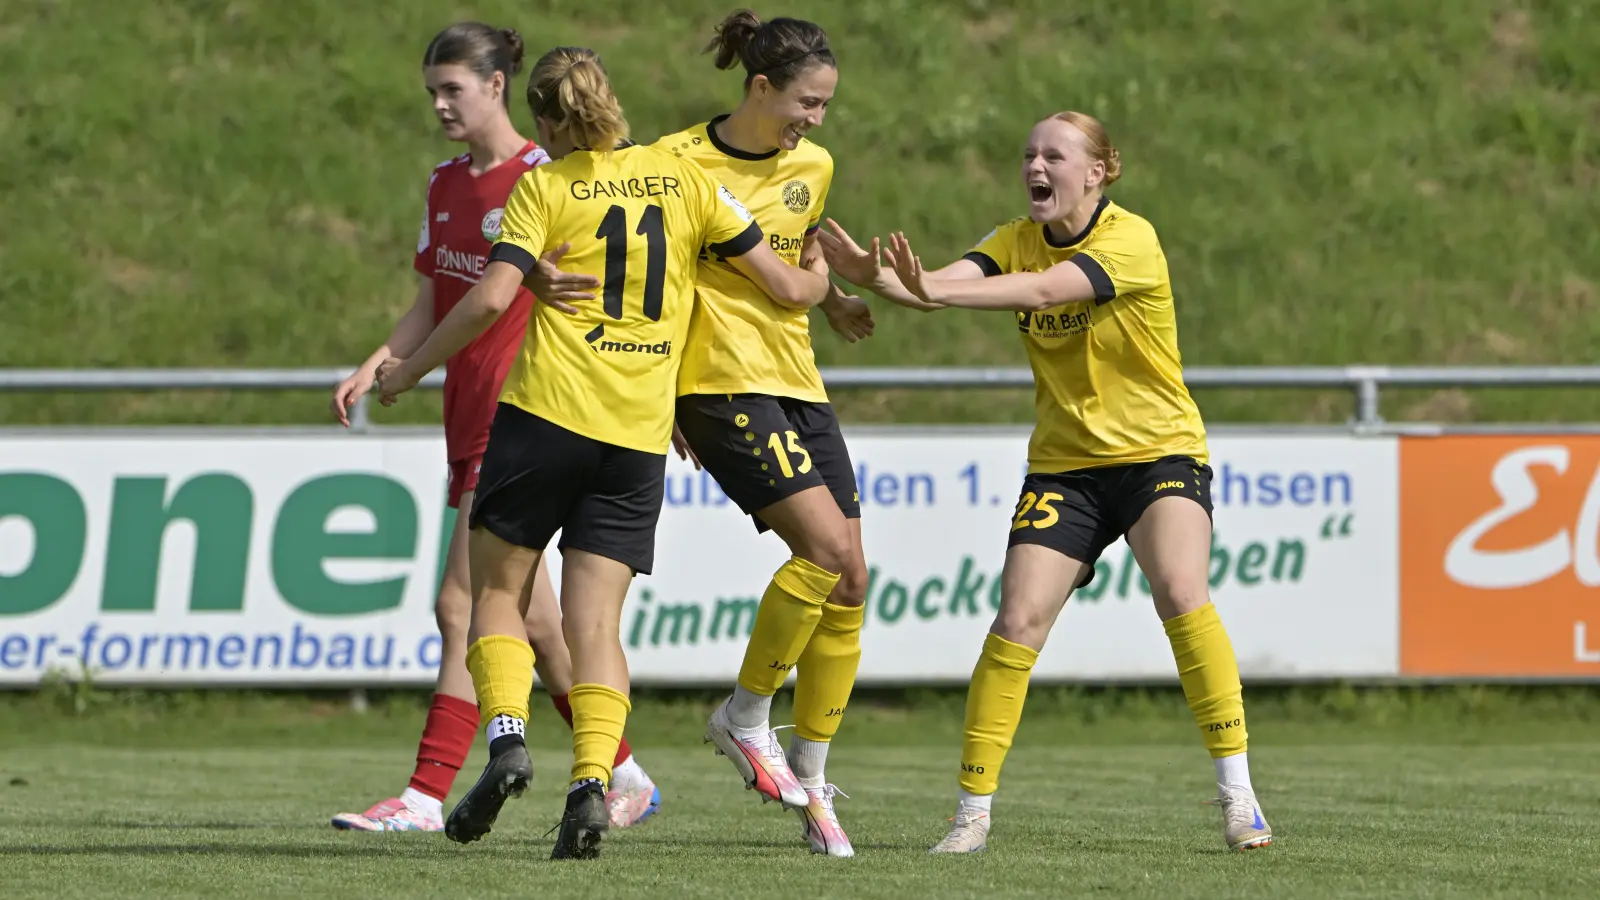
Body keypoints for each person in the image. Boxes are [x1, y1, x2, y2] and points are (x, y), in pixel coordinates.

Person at [373, 46, 829, 860]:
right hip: (636, 436)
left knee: (497, 596)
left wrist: (405, 368)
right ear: (611, 101)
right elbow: (787, 288)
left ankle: (508, 736)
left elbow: (488, 297)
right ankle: (592, 780)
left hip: (546, 417)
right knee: (597, 628)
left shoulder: (543, 186)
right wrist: (826, 278)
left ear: (545, 120)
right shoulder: (684, 177)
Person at [820, 111, 1273, 854]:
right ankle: (970, 817)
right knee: (1016, 622)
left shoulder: (1130, 239)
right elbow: (938, 288)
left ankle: (1238, 796)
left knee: (1181, 592)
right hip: (1066, 466)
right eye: (1029, 154)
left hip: (1158, 454)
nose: (1037, 166)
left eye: (1054, 156)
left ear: (1097, 171)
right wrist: (879, 280)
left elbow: (1037, 293)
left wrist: (922, 286)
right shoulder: (1013, 238)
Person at [326, 23, 657, 834]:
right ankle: (622, 770)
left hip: (531, 416)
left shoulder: (550, 179)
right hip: (469, 415)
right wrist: (380, 360)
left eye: (454, 89)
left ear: (499, 85)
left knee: (462, 605)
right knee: (537, 623)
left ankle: (425, 793)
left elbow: (538, 294)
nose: (440, 105)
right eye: (432, 92)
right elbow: (434, 299)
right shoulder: (445, 185)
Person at [656, 10, 872, 859]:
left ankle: (815, 783)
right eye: (806, 103)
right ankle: (746, 714)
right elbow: (661, 283)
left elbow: (802, 242)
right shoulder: (675, 165)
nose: (815, 120)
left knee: (851, 576)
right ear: (758, 88)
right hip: (719, 382)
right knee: (822, 550)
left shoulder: (811, 165)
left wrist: (840, 294)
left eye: (823, 105)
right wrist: (667, 394)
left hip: (797, 380)